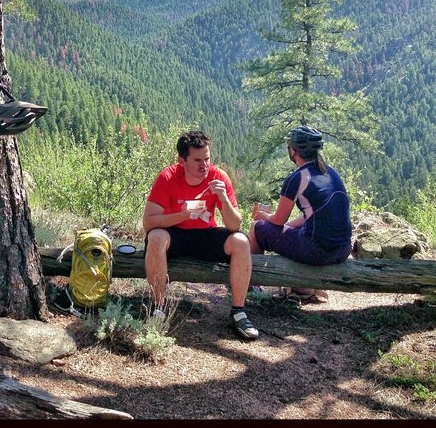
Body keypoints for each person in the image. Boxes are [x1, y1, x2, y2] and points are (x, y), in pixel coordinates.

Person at [143, 130, 258, 341]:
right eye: (197, 160)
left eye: (207, 158)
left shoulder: (218, 177)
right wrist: (181, 215)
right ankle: (158, 308)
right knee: (156, 237)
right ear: (182, 161)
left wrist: (222, 198)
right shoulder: (168, 177)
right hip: (174, 235)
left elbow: (235, 225)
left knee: (241, 241)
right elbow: (148, 222)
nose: (203, 165)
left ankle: (238, 312)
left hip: (205, 235)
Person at [249, 126, 353, 302]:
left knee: (256, 227)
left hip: (317, 251)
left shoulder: (297, 178)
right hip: (342, 250)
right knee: (289, 235)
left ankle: (253, 285)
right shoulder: (330, 172)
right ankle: (302, 288)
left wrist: (263, 217)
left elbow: (278, 220)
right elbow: (311, 216)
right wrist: (285, 229)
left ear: (293, 151)